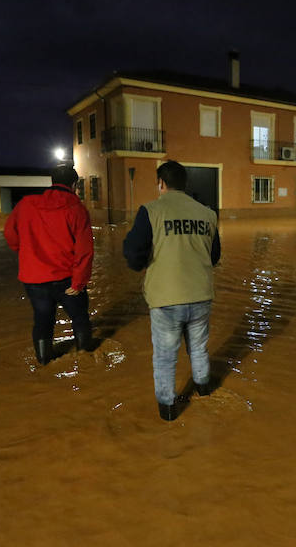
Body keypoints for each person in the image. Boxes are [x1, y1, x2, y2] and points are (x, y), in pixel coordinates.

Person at [123, 160, 221, 421]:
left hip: (166, 299)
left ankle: (168, 411)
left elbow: (133, 254)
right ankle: (203, 389)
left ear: (161, 183)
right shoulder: (207, 213)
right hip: (200, 294)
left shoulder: (150, 211)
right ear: (185, 184)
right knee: (198, 349)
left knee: (166, 357)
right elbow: (215, 256)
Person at [4, 165, 94, 365]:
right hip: (67, 279)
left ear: (52, 182)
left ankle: (43, 361)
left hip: (34, 279)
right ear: (74, 185)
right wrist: (78, 283)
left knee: (43, 319)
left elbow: (10, 233)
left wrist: (25, 253)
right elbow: (85, 250)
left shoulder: (26, 204)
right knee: (79, 318)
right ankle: (86, 358)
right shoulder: (77, 209)